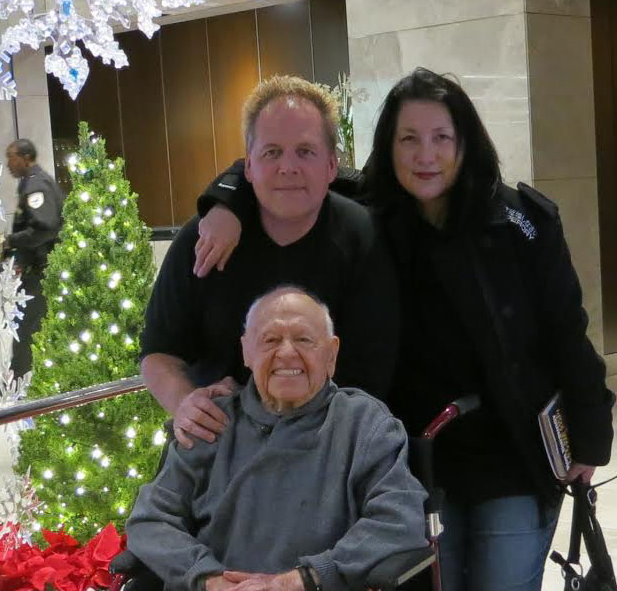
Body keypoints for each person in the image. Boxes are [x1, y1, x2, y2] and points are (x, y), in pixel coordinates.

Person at [195, 68, 615, 591]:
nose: (426, 155)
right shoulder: (367, 211)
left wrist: (592, 439)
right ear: (388, 146)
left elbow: (566, 333)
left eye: (442, 138)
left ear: (465, 143)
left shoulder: (519, 222)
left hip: (511, 455)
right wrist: (225, 201)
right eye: (409, 139)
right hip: (407, 461)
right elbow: (285, 163)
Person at [140, 76, 400, 449]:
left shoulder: (364, 238)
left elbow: (373, 373)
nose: (288, 167)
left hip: (332, 448)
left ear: (331, 166)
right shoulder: (202, 238)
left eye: (305, 152)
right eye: (272, 152)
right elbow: (159, 353)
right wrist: (186, 403)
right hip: (219, 445)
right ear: (247, 167)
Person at [127, 286, 428, 591]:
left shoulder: (364, 424)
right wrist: (209, 578)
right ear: (246, 351)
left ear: (331, 354)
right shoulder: (211, 422)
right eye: (270, 340)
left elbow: (399, 521)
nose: (286, 353)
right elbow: (150, 520)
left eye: (304, 339)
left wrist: (300, 580)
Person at [0, 138, 63, 379]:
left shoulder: (36, 186)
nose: (8, 164)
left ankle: (17, 383)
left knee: (26, 330)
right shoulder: (32, 184)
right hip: (39, 270)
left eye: (11, 157)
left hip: (41, 272)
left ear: (26, 158)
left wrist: (9, 241)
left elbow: (45, 228)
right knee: (30, 328)